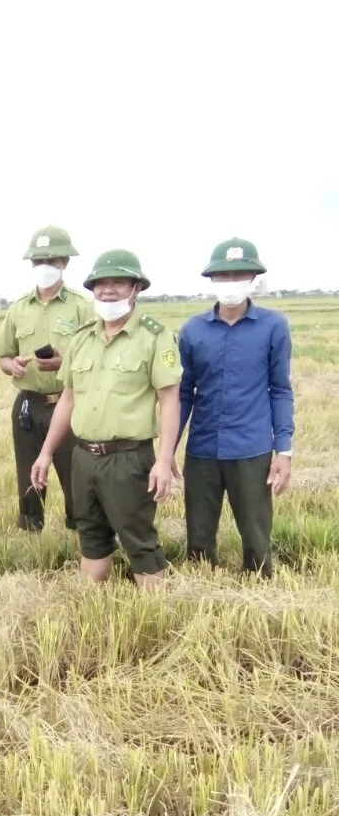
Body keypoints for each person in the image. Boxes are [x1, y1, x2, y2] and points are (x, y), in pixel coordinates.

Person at [30, 249, 180, 589]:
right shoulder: (82, 338)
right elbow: (68, 398)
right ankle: (91, 609)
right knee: (91, 535)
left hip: (128, 459)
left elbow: (169, 400)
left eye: (118, 282)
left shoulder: (155, 337)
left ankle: (155, 617)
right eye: (101, 284)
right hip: (83, 457)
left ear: (136, 288)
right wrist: (46, 452)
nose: (108, 290)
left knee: (139, 540)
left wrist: (165, 459)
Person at [177, 238, 293, 577]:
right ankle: (201, 592)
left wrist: (284, 451)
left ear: (253, 278)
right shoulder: (192, 331)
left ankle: (259, 591)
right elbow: (184, 394)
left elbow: (280, 390)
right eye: (223, 276)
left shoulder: (273, 326)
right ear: (212, 280)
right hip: (202, 449)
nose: (230, 284)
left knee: (257, 537)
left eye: (239, 275)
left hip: (252, 449)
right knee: (198, 537)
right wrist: (167, 448)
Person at [0, 226, 93, 532]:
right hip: (28, 406)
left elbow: (92, 358)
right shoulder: (19, 308)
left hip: (68, 403)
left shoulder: (80, 306)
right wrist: (13, 367)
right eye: (38, 261)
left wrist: (64, 364)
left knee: (74, 472)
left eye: (51, 260)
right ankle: (31, 527)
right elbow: (3, 356)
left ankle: (81, 531)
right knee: (28, 472)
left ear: (65, 262)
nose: (44, 267)